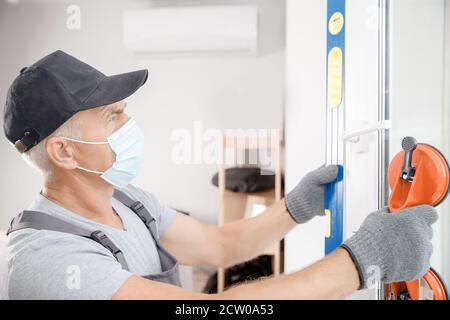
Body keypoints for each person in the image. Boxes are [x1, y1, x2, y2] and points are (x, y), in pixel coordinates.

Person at [0, 51, 437, 299]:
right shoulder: (46, 262)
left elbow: (219, 245)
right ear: (65, 152)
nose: (129, 124)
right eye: (112, 116)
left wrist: (293, 208)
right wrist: (360, 261)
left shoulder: (127, 199)